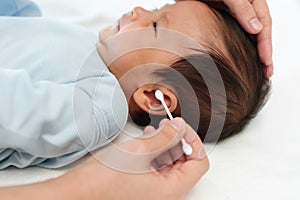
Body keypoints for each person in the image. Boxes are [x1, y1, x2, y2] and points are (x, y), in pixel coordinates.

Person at [0, 0, 271, 168]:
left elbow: (14, 108)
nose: (138, 10)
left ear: (155, 98)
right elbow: (27, 30)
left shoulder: (103, 108)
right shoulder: (92, 48)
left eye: (153, 25)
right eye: (155, 9)